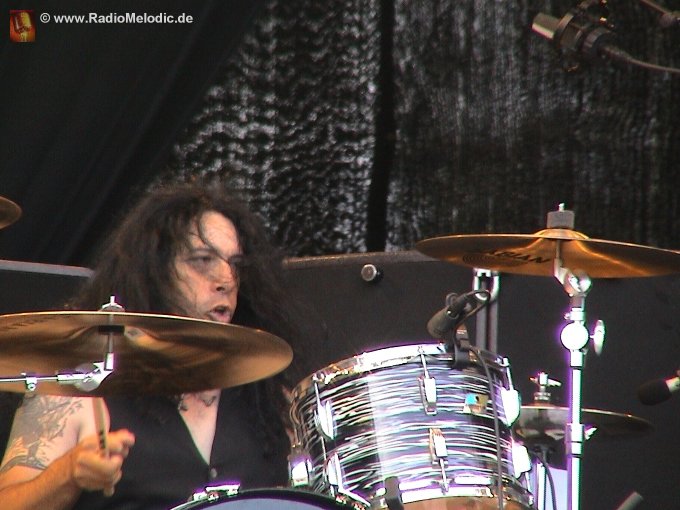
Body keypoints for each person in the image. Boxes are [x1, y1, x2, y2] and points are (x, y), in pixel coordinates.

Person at [0, 181, 300, 510]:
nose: (226, 280)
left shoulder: (270, 399)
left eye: (235, 265)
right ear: (155, 272)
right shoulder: (80, 388)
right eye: (202, 260)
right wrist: (67, 474)